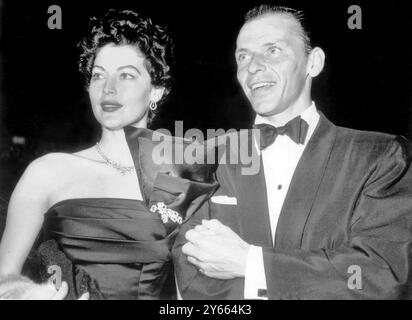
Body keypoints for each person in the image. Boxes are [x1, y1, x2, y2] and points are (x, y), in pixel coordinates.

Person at [173, 5, 412, 299]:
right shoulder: (208, 157)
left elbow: (380, 274)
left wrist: (252, 264)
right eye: (243, 56)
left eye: (272, 50)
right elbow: (189, 269)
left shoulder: (381, 156)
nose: (253, 66)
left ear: (314, 63)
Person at [0, 9, 179, 299]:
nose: (109, 89)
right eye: (99, 76)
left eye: (126, 76)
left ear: (156, 90)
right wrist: (26, 293)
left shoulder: (183, 179)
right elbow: (3, 278)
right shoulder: (46, 172)